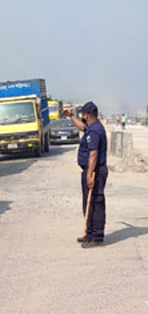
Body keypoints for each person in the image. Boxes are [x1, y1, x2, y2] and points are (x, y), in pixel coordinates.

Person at [63, 101, 108, 248]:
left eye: (82, 114)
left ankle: (97, 236)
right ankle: (88, 233)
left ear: (87, 115)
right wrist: (71, 116)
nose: (81, 116)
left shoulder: (95, 131)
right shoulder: (92, 127)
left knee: (95, 202)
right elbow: (83, 127)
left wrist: (89, 175)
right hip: (90, 170)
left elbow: (93, 154)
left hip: (95, 171)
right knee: (88, 202)